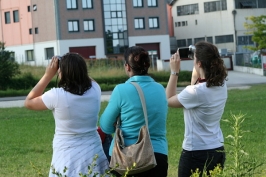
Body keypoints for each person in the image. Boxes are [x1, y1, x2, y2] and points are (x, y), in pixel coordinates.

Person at [24, 53, 109, 176]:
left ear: (62, 72)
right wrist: (75, 63)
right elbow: (86, 78)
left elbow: (29, 102)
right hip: (93, 150)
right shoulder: (95, 89)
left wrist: (48, 74)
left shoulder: (56, 95)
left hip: (66, 155)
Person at [99, 46, 168, 177]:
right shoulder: (160, 89)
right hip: (158, 155)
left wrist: (117, 124)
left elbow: (105, 126)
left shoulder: (121, 90)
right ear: (147, 65)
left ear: (127, 66)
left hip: (127, 157)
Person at [166, 41, 227, 177]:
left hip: (196, 153)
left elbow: (168, 99)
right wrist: (199, 59)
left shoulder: (195, 92)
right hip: (217, 149)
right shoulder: (222, 86)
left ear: (199, 63)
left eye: (194, 59)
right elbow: (197, 80)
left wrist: (174, 72)